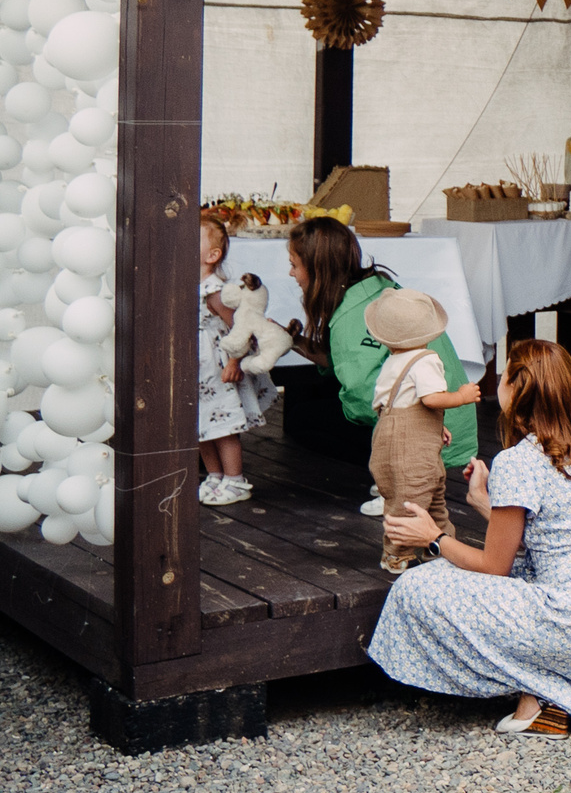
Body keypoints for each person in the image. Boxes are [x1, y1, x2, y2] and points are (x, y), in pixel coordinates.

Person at [373, 340, 571, 736]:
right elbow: (552, 533)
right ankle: (553, 691)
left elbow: (494, 567)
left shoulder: (519, 460)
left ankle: (540, 689)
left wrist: (433, 537)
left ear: (518, 389)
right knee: (522, 569)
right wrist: (485, 503)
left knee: (418, 586)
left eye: (504, 375)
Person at [279, 217, 478, 516]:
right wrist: (296, 341)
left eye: (294, 265)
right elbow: (346, 361)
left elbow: (362, 397)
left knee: (300, 420)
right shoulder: (374, 287)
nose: (291, 273)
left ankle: (391, 479)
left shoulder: (350, 317)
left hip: (428, 428)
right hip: (447, 417)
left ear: (318, 269)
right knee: (316, 397)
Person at [364, 290, 481, 573]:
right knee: (415, 497)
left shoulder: (392, 361)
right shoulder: (425, 359)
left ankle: (437, 545)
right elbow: (431, 399)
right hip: (410, 445)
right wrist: (461, 396)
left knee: (423, 491)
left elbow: (404, 405)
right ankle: (397, 553)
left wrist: (436, 426)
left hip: (393, 435)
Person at [195, 212, 263, 507]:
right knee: (200, 423)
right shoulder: (184, 285)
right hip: (196, 368)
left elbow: (241, 328)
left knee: (223, 425)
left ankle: (235, 479)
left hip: (216, 367)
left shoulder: (216, 292)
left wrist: (234, 363)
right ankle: (214, 474)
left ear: (212, 255)